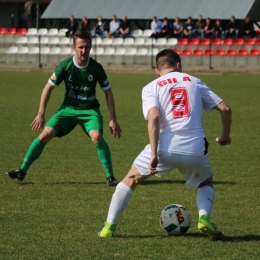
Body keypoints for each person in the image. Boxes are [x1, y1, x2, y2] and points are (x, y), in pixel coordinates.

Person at [98, 49, 232, 240]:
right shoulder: (194, 81)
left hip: (163, 147)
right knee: (205, 183)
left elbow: (154, 117)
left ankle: (109, 227)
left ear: (157, 70)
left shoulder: (151, 86)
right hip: (194, 147)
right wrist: (224, 135)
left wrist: (154, 153)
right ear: (178, 65)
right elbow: (226, 109)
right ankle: (204, 218)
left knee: (131, 179)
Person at [6, 30, 122, 187]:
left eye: (87, 47)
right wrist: (41, 113)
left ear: (91, 47)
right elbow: (48, 88)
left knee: (96, 136)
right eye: (81, 47)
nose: (84, 50)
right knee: (45, 134)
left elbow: (108, 92)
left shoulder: (96, 68)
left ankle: (110, 176)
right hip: (68, 108)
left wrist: (113, 119)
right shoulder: (65, 66)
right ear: (74, 47)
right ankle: (22, 170)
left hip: (89, 111)